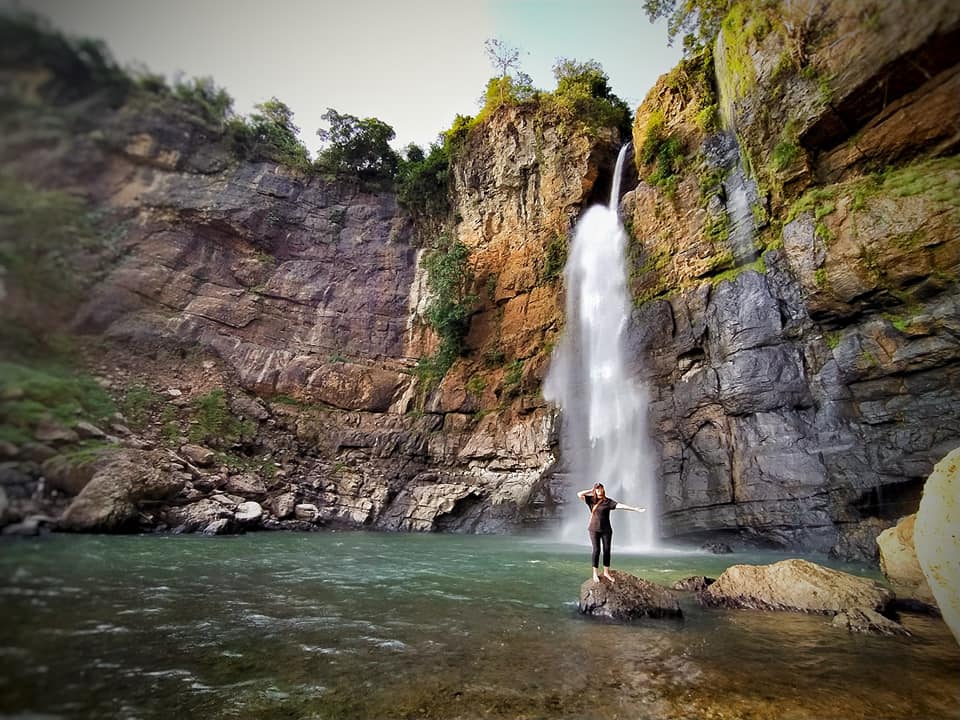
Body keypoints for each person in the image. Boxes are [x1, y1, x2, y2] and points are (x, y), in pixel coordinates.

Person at [577, 482, 645, 583]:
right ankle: (595, 573)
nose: (600, 490)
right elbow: (579, 494)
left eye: (601, 489)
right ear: (595, 490)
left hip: (606, 530)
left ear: (603, 490)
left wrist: (634, 509)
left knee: (607, 550)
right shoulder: (591, 500)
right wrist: (590, 491)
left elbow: (620, 505)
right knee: (596, 550)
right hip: (594, 529)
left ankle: (606, 572)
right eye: (597, 489)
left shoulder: (607, 501)